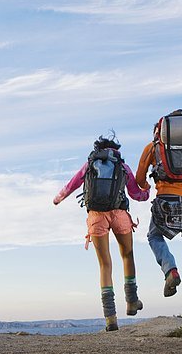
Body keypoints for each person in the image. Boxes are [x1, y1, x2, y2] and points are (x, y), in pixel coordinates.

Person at [53, 134, 149, 331]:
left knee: (105, 264)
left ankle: (110, 318)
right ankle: (131, 301)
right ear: (116, 149)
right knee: (127, 255)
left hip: (96, 216)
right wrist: (146, 192)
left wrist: (57, 199)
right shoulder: (122, 166)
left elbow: (71, 185)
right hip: (120, 214)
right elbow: (136, 194)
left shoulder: (89, 165)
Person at [136, 110, 182, 298]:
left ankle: (171, 271)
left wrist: (146, 186)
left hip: (165, 201)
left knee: (154, 236)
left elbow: (139, 178)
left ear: (159, 131)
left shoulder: (152, 148)